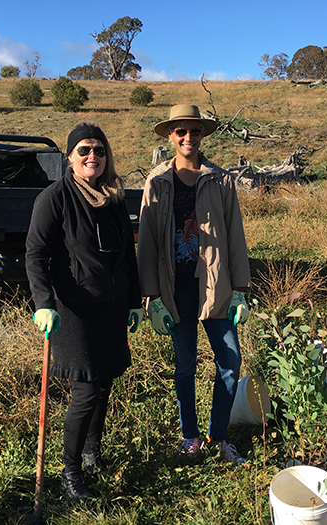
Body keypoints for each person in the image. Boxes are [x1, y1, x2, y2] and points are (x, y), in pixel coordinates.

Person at [26, 122, 142, 502]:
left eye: (100, 150)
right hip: (72, 310)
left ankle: (92, 453)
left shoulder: (112, 198)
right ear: (71, 158)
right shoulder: (54, 198)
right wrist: (43, 303)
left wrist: (133, 301)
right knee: (87, 390)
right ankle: (70, 473)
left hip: (110, 307)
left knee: (104, 381)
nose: (93, 156)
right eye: (84, 150)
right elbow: (36, 255)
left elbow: (127, 254)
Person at [137, 104, 251, 464]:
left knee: (230, 361)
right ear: (171, 136)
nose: (188, 138)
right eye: (181, 131)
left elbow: (235, 236)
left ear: (203, 135)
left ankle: (219, 438)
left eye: (195, 131)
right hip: (176, 290)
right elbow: (149, 242)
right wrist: (151, 297)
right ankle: (191, 438)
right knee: (184, 365)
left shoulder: (220, 180)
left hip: (216, 288)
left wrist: (241, 291)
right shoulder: (156, 182)